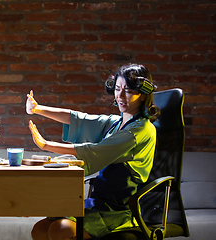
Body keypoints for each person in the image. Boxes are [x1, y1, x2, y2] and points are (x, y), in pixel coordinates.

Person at [27, 63, 160, 240]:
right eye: (117, 88)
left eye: (127, 91)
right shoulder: (115, 123)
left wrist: (47, 145)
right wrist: (37, 109)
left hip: (118, 209)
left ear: (142, 95)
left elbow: (96, 151)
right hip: (97, 202)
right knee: (40, 229)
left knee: (61, 229)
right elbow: (80, 120)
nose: (120, 96)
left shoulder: (143, 129)